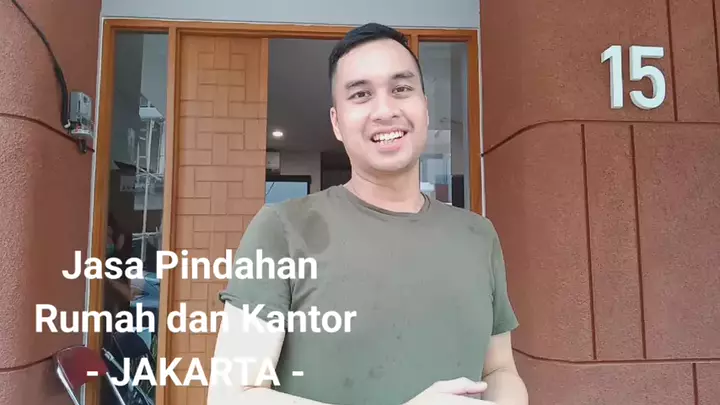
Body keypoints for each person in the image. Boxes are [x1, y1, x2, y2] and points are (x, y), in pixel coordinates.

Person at [209, 23, 528, 405]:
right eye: (361, 94)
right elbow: (231, 395)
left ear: (425, 108)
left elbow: (499, 370)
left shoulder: (479, 236)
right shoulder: (282, 230)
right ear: (336, 122)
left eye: (401, 89)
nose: (385, 110)